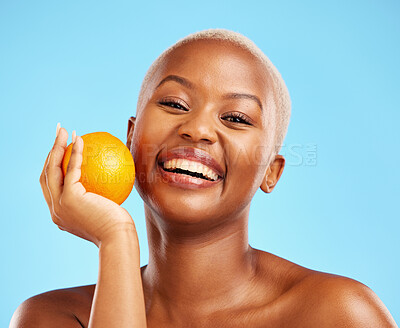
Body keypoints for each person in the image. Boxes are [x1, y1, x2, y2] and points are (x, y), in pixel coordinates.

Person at [10, 29, 397, 328]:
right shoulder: (52, 317)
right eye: (175, 104)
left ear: (270, 172)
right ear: (130, 138)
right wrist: (116, 240)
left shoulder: (337, 314)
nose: (197, 130)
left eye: (236, 118)